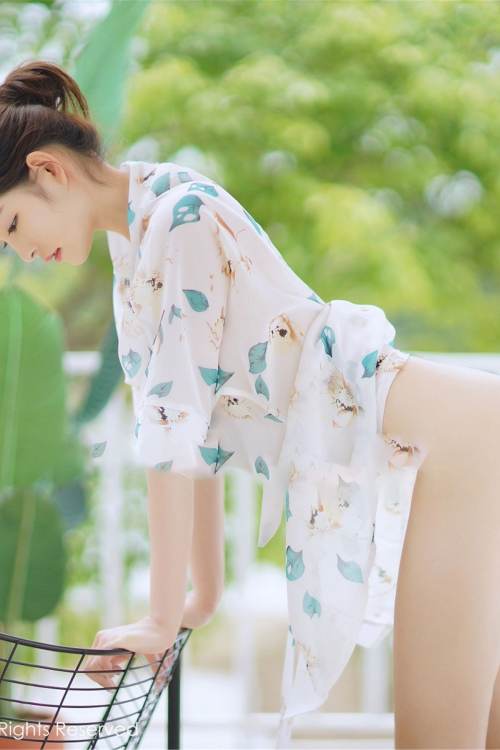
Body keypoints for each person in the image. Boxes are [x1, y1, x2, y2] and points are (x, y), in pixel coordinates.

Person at [1, 59, 500, 750]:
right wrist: (193, 603)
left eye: (11, 225)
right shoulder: (140, 233)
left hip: (454, 448)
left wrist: (159, 616)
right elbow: (192, 425)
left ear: (48, 171)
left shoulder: (177, 217)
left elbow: (172, 433)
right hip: (445, 439)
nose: (22, 253)